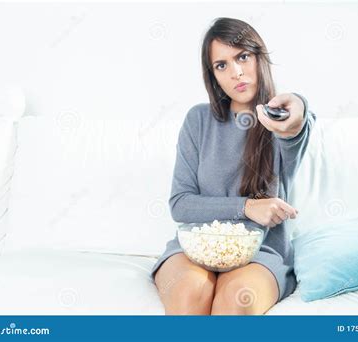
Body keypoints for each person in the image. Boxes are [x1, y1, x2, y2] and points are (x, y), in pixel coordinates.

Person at [150, 17, 316, 315]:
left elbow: (298, 124)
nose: (236, 72)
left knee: (236, 300)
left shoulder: (279, 121)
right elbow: (180, 204)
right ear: (213, 75)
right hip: (195, 246)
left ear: (259, 57)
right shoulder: (198, 120)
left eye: (243, 56)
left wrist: (299, 107)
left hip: (260, 253)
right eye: (221, 65)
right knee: (190, 294)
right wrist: (247, 207)